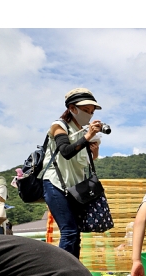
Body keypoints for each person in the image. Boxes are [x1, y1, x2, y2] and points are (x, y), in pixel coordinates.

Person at [40, 88, 105, 258]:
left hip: (75, 189)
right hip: (55, 184)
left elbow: (83, 163)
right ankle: (63, 275)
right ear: (72, 108)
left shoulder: (84, 132)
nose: (89, 115)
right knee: (69, 230)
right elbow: (66, 151)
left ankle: (74, 274)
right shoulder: (58, 126)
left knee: (76, 233)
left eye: (91, 112)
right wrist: (88, 135)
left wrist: (94, 151)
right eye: (85, 110)